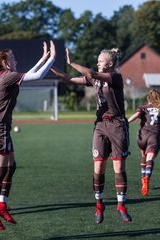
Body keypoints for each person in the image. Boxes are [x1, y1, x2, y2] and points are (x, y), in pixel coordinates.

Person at [0, 40, 56, 230]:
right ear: (5, 62)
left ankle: (2, 203)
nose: (16, 59)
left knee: (11, 166)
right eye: (13, 57)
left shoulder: (5, 74)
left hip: (2, 126)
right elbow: (37, 76)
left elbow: (30, 73)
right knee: (1, 168)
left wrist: (43, 58)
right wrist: (52, 58)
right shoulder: (6, 76)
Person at [51, 48, 132, 224]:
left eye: (100, 60)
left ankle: (121, 206)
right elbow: (68, 79)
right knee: (98, 168)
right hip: (100, 125)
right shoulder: (94, 80)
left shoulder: (115, 77)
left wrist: (72, 62)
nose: (97, 62)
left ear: (110, 64)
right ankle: (99, 205)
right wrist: (49, 65)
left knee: (118, 168)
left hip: (117, 125)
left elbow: (91, 73)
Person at [128, 89, 160, 196]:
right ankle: (146, 178)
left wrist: (126, 122)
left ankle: (143, 179)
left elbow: (136, 115)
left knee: (143, 154)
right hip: (154, 137)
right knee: (150, 159)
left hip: (142, 136)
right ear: (158, 98)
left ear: (148, 98)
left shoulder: (143, 107)